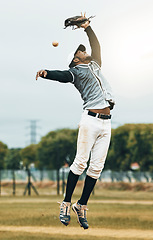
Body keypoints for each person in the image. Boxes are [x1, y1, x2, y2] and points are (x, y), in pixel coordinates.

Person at [36, 15, 115, 230]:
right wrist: (46, 73)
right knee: (80, 163)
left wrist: (87, 28)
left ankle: (81, 205)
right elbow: (62, 75)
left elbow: (95, 44)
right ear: (76, 59)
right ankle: (65, 203)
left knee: (96, 168)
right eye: (80, 51)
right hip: (90, 121)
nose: (84, 50)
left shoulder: (95, 64)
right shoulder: (75, 72)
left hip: (106, 124)